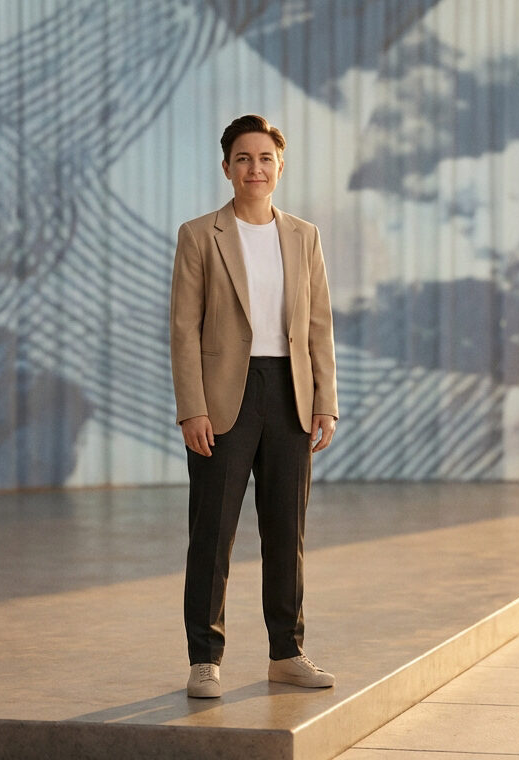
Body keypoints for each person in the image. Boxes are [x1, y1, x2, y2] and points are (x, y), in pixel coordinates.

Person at [169, 114, 339, 699]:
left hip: (289, 395)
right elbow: (183, 330)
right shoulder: (200, 235)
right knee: (212, 530)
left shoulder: (304, 236)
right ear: (227, 168)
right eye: (243, 158)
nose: (255, 168)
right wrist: (192, 408)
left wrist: (326, 403)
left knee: (284, 532)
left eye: (265, 158)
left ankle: (287, 653)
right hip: (224, 398)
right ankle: (204, 659)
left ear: (279, 167)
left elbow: (319, 326)